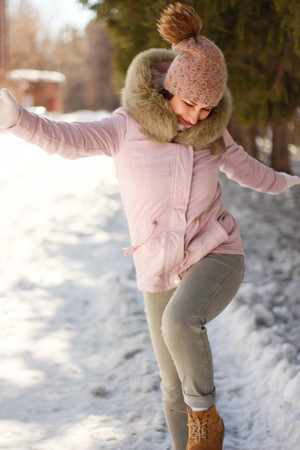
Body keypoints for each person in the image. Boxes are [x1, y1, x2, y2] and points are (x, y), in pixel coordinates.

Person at [0, 3, 299, 449]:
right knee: (171, 382)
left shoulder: (213, 134)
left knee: (181, 321)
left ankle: (208, 419)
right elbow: (69, 140)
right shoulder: (126, 127)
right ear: (168, 89)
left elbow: (250, 171)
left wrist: (290, 182)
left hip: (215, 251)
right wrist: (18, 120)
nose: (197, 116)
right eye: (190, 103)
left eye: (207, 107)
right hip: (158, 264)